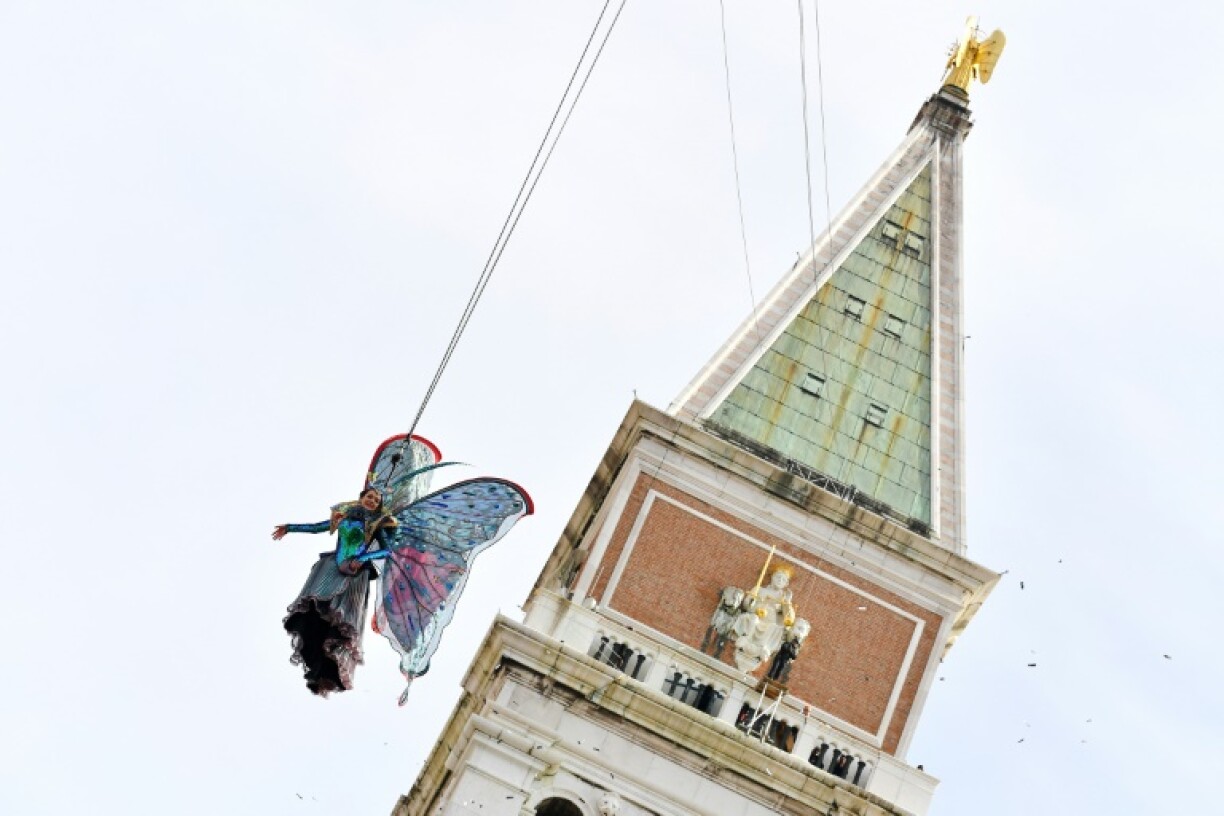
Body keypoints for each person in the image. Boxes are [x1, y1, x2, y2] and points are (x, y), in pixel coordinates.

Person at [273, 487, 398, 696]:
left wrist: (362, 559)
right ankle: (316, 647)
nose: (372, 501)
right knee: (317, 607)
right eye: (370, 497)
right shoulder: (343, 517)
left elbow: (387, 550)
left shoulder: (376, 524)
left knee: (340, 623)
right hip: (334, 566)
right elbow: (316, 528)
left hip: (356, 573)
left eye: (376, 500)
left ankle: (330, 663)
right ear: (360, 499)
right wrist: (289, 527)